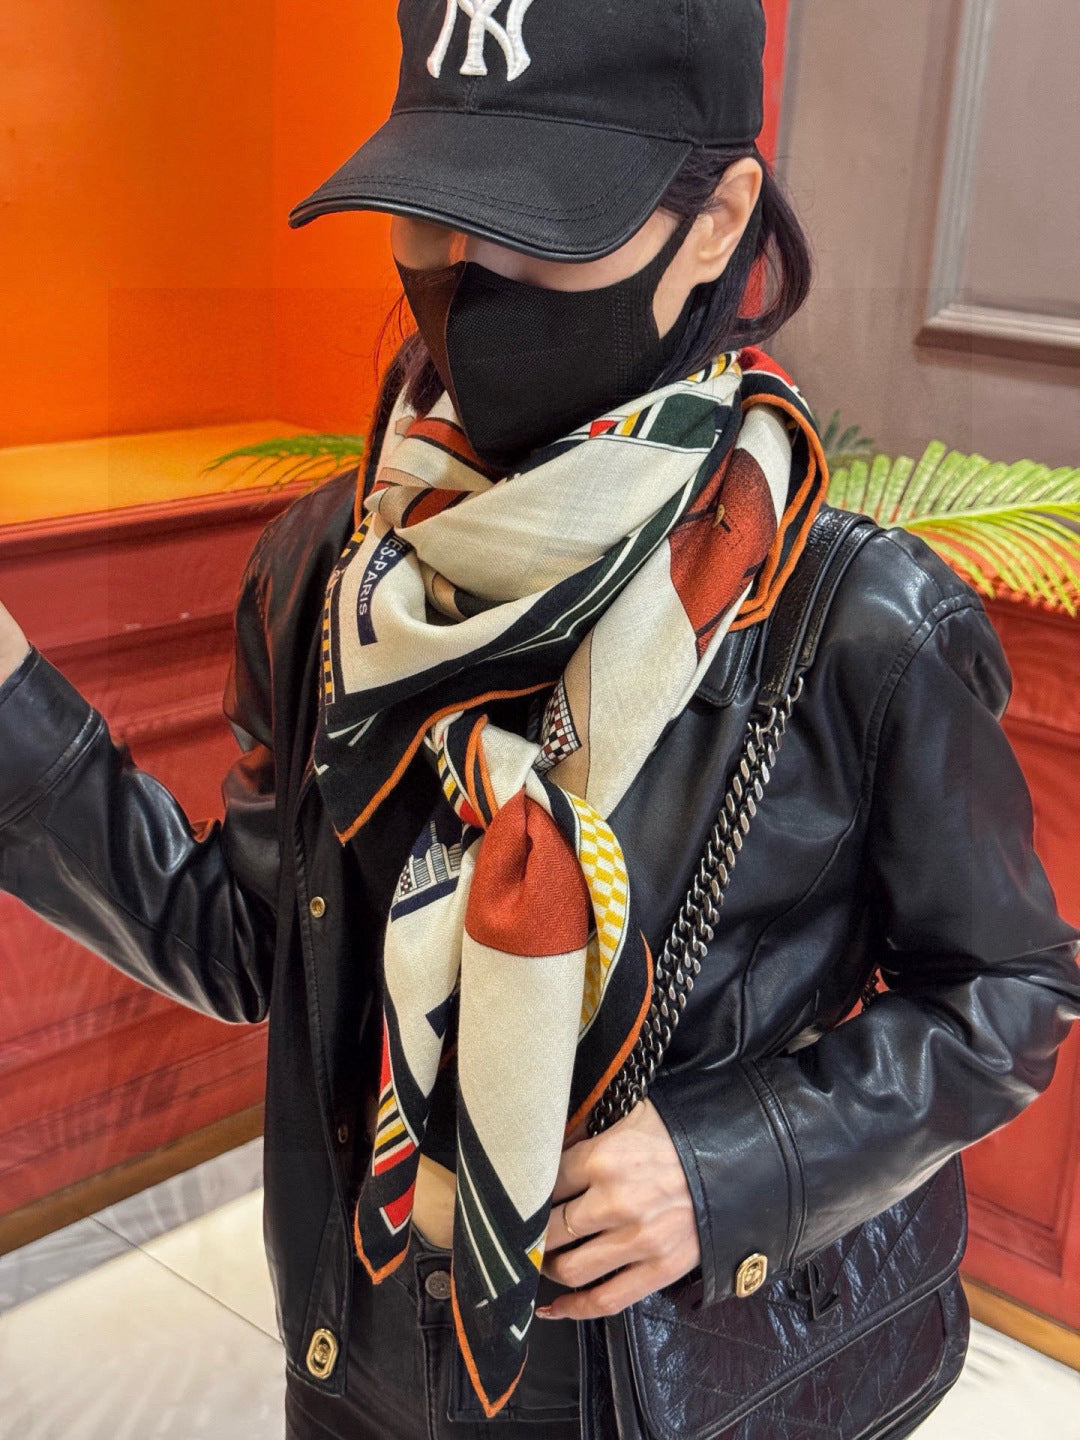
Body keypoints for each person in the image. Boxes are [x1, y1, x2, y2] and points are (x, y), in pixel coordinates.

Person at [2, 2, 1079, 1437]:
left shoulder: (860, 623)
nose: (470, 277)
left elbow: (1006, 994)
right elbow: (249, 944)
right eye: (432, 216)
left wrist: (731, 1168)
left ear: (716, 223)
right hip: (367, 1362)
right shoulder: (328, 573)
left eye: (540, 224)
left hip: (696, 1388)